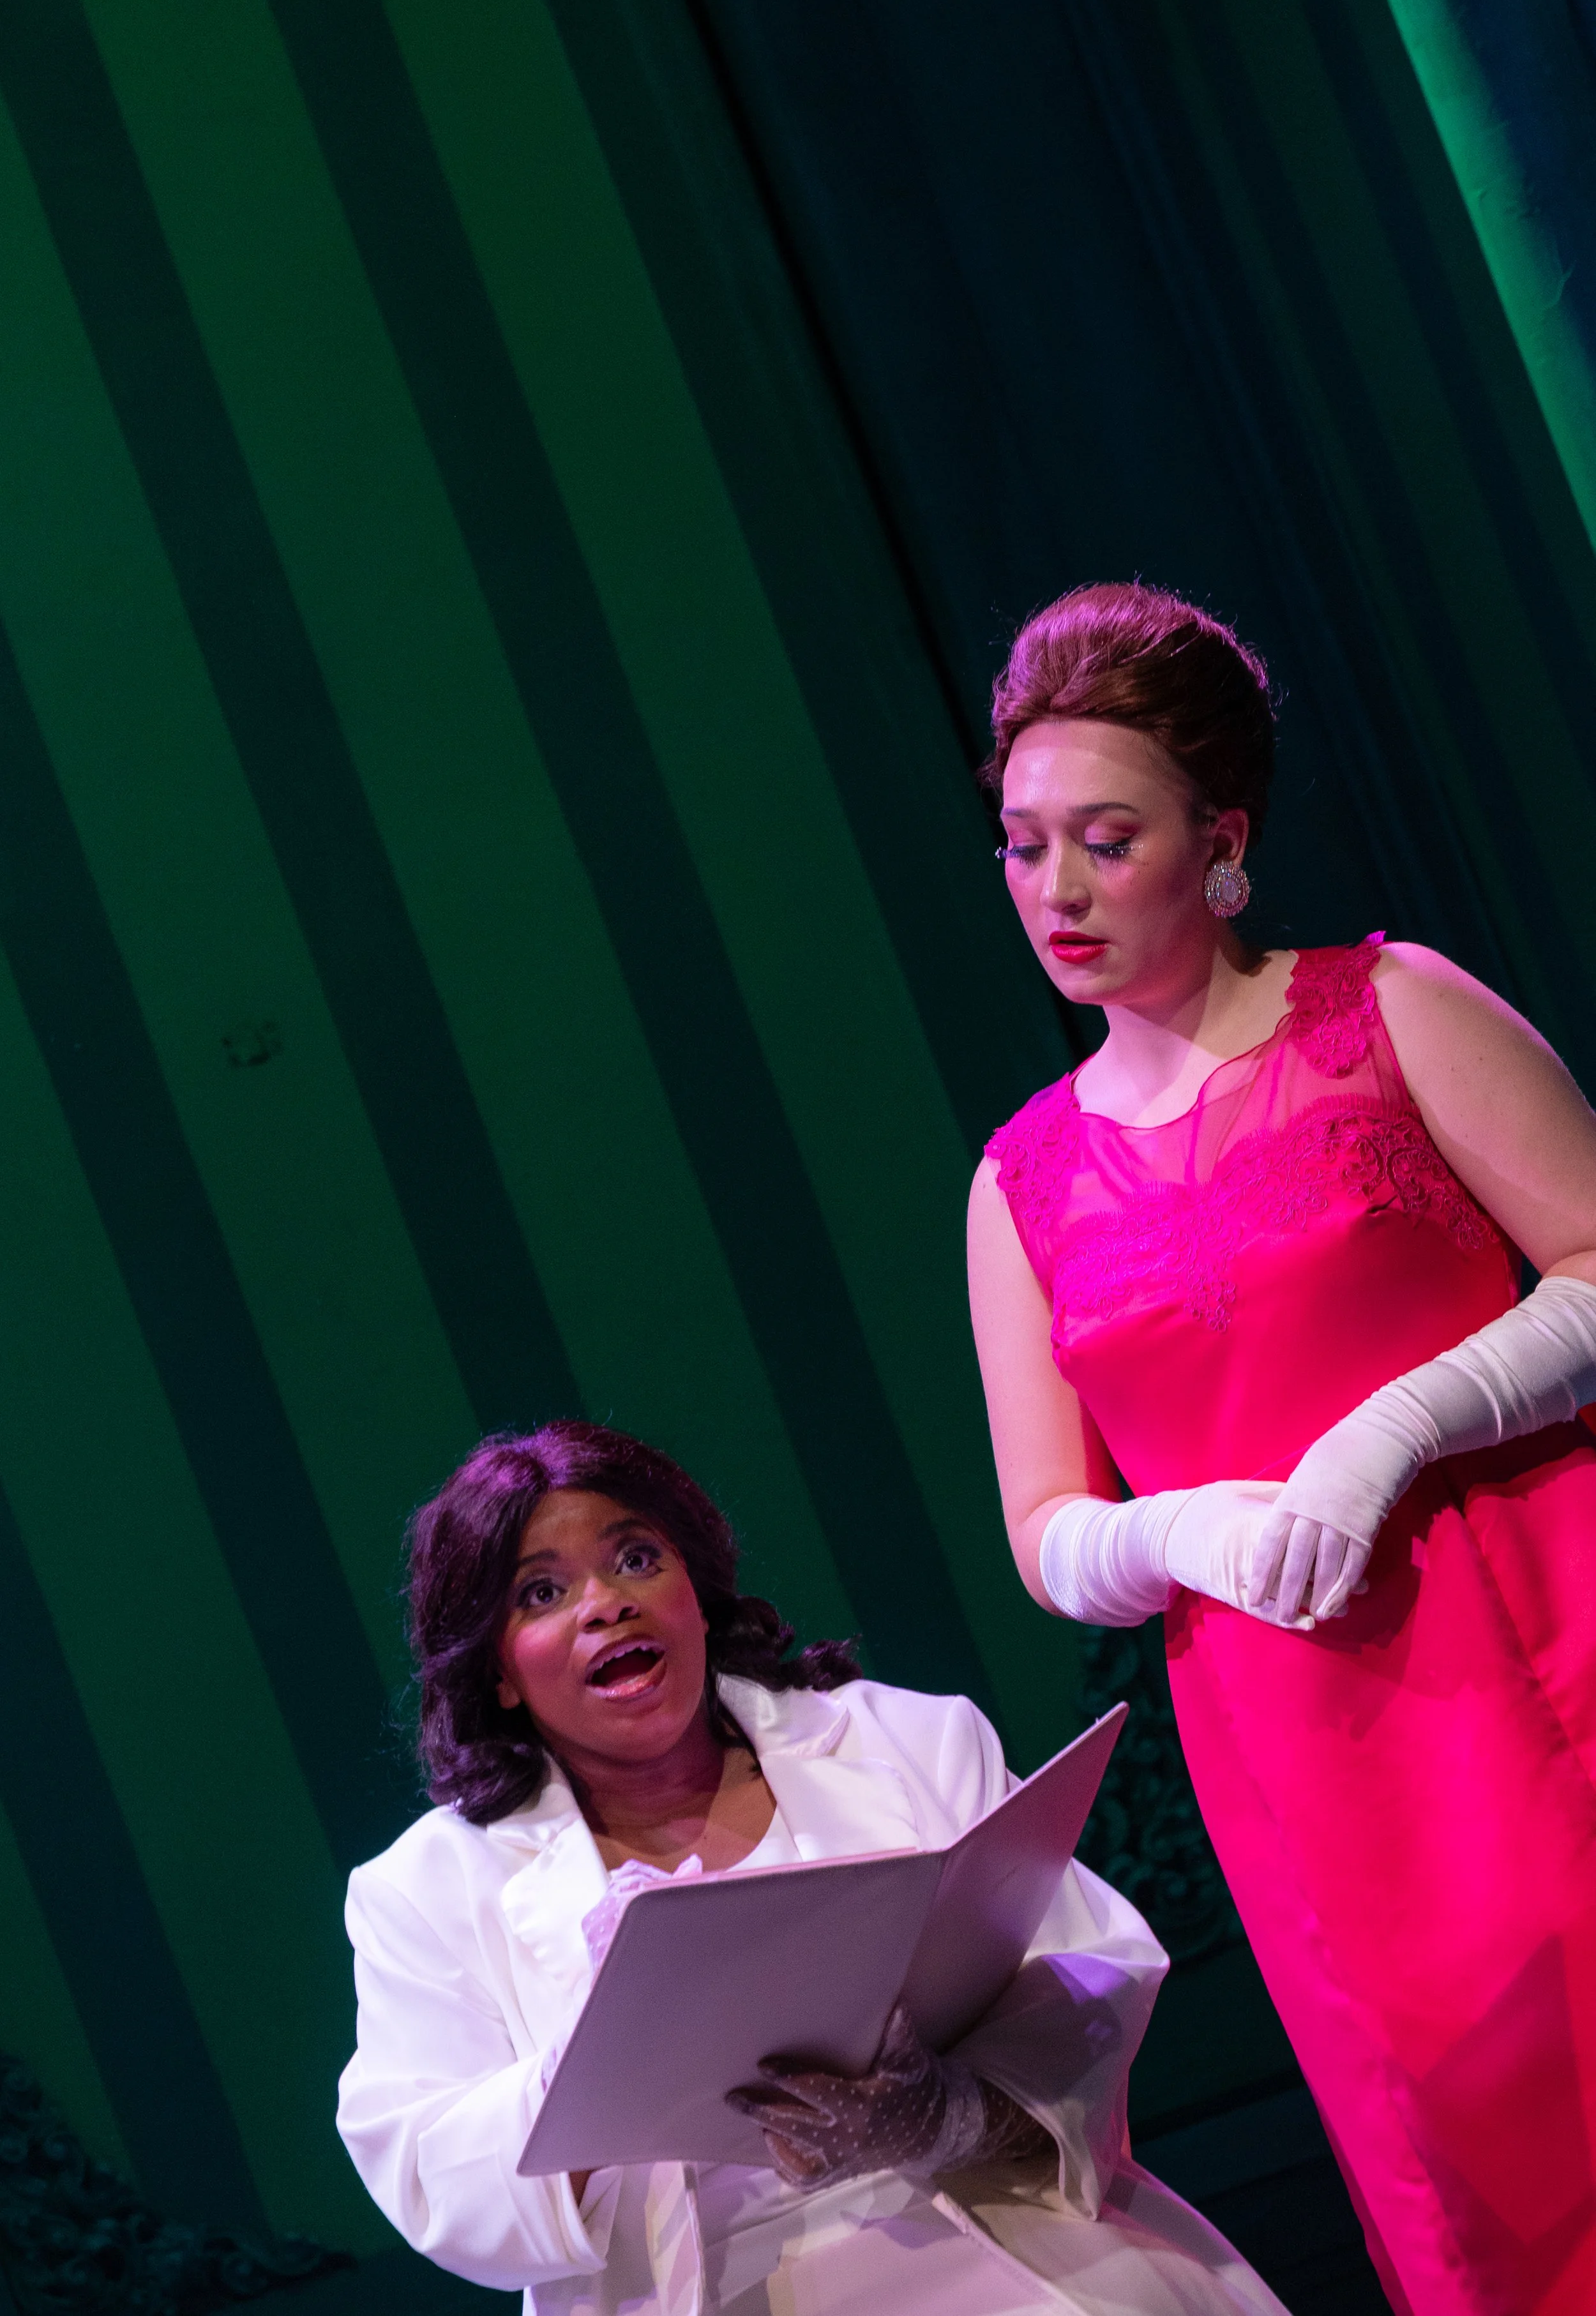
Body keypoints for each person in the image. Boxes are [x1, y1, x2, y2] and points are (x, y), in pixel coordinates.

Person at [968, 581, 1596, 2316]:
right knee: (1466, 2166)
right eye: (1024, 846)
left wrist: (1394, 1425)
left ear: (1218, 839)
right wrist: (1183, 1532)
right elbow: (1043, 1521)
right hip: (1298, 1723)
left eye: (1106, 837)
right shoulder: (1018, 1180)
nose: (1061, 889)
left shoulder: (1384, 1008)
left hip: (1540, 1629)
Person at [336, 1422, 1287, 2316]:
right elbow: (426, 2171)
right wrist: (599, 2042)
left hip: (1001, 2243)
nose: (605, 1602)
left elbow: (1092, 1963)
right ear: (498, 1669)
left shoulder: (903, 1736)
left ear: (694, 1593)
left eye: (636, 1557)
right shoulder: (425, 1889)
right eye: (540, 1593)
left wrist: (948, 2116)